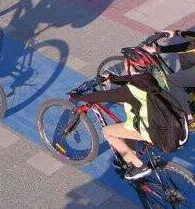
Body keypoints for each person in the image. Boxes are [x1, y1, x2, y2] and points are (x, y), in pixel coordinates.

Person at [71, 48, 174, 180]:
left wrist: (78, 97)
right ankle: (129, 159)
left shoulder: (129, 91)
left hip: (150, 128)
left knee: (107, 132)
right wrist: (113, 78)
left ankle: (138, 165)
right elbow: (132, 79)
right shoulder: (148, 78)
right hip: (164, 122)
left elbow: (104, 95)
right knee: (124, 126)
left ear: (128, 65)